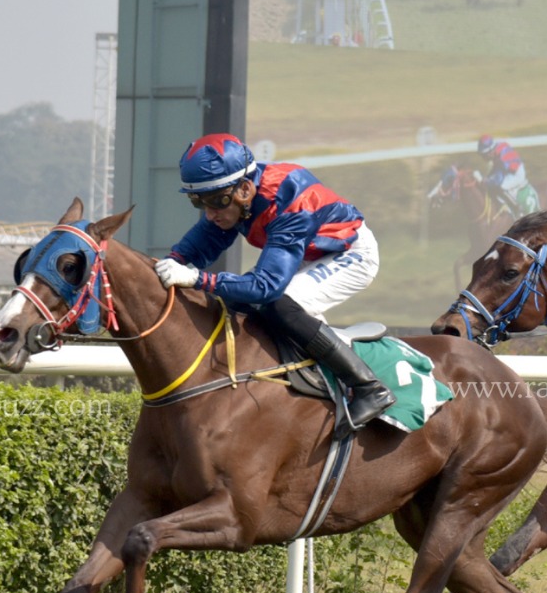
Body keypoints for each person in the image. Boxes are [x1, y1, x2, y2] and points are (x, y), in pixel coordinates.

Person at [155, 133, 396, 428]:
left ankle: (369, 388)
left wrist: (196, 278)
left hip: (349, 253)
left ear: (244, 188)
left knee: (278, 304)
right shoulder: (237, 194)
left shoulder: (291, 201)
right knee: (233, 299)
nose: (210, 213)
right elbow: (203, 240)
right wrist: (172, 260)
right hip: (306, 251)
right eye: (199, 202)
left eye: (217, 202)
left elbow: (266, 287)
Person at [476, 134, 536, 215]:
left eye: (483, 155)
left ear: (490, 152)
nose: (483, 158)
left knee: (501, 186)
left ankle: (517, 207)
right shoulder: (496, 150)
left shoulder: (501, 157)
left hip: (517, 174)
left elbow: (498, 180)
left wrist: (486, 181)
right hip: (508, 170)